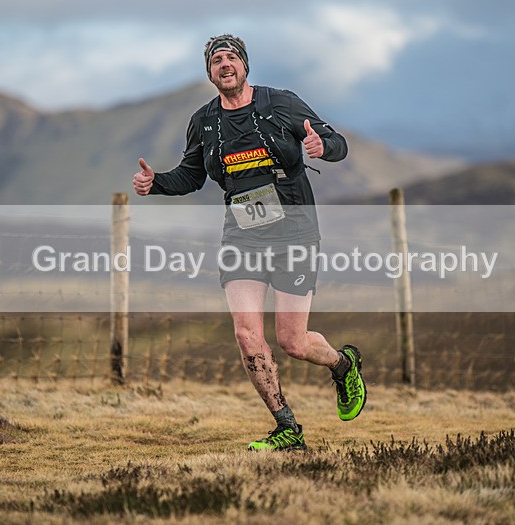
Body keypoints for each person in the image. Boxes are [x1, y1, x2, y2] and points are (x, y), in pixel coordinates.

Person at [132, 34, 366, 451]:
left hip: (294, 230)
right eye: (216, 60)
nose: (224, 64)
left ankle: (343, 364)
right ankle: (287, 428)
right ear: (209, 73)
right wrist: (157, 184)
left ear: (245, 66)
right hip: (242, 234)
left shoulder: (281, 104)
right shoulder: (204, 121)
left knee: (293, 342)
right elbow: (191, 175)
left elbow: (339, 144)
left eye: (231, 58)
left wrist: (321, 147)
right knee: (245, 334)